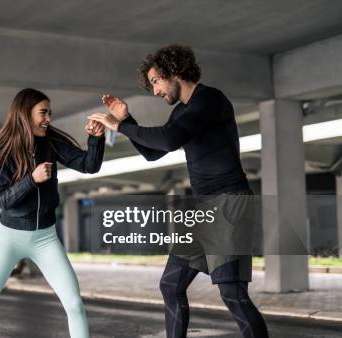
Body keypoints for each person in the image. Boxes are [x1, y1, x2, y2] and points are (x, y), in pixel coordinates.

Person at [88, 45, 269, 338]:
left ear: (174, 72)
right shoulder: (182, 112)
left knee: (233, 295)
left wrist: (120, 126)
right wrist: (128, 120)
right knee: (171, 284)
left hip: (230, 203)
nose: (156, 91)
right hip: (205, 210)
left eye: (156, 81)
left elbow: (171, 139)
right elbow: (152, 153)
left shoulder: (210, 99)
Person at [0, 88, 105, 338]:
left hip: (46, 238)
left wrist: (96, 140)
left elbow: (89, 165)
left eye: (49, 113)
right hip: (10, 238)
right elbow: (3, 200)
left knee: (74, 304)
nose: (48, 119)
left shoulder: (51, 141)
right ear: (24, 114)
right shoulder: (0, 153)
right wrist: (32, 179)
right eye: (43, 113)